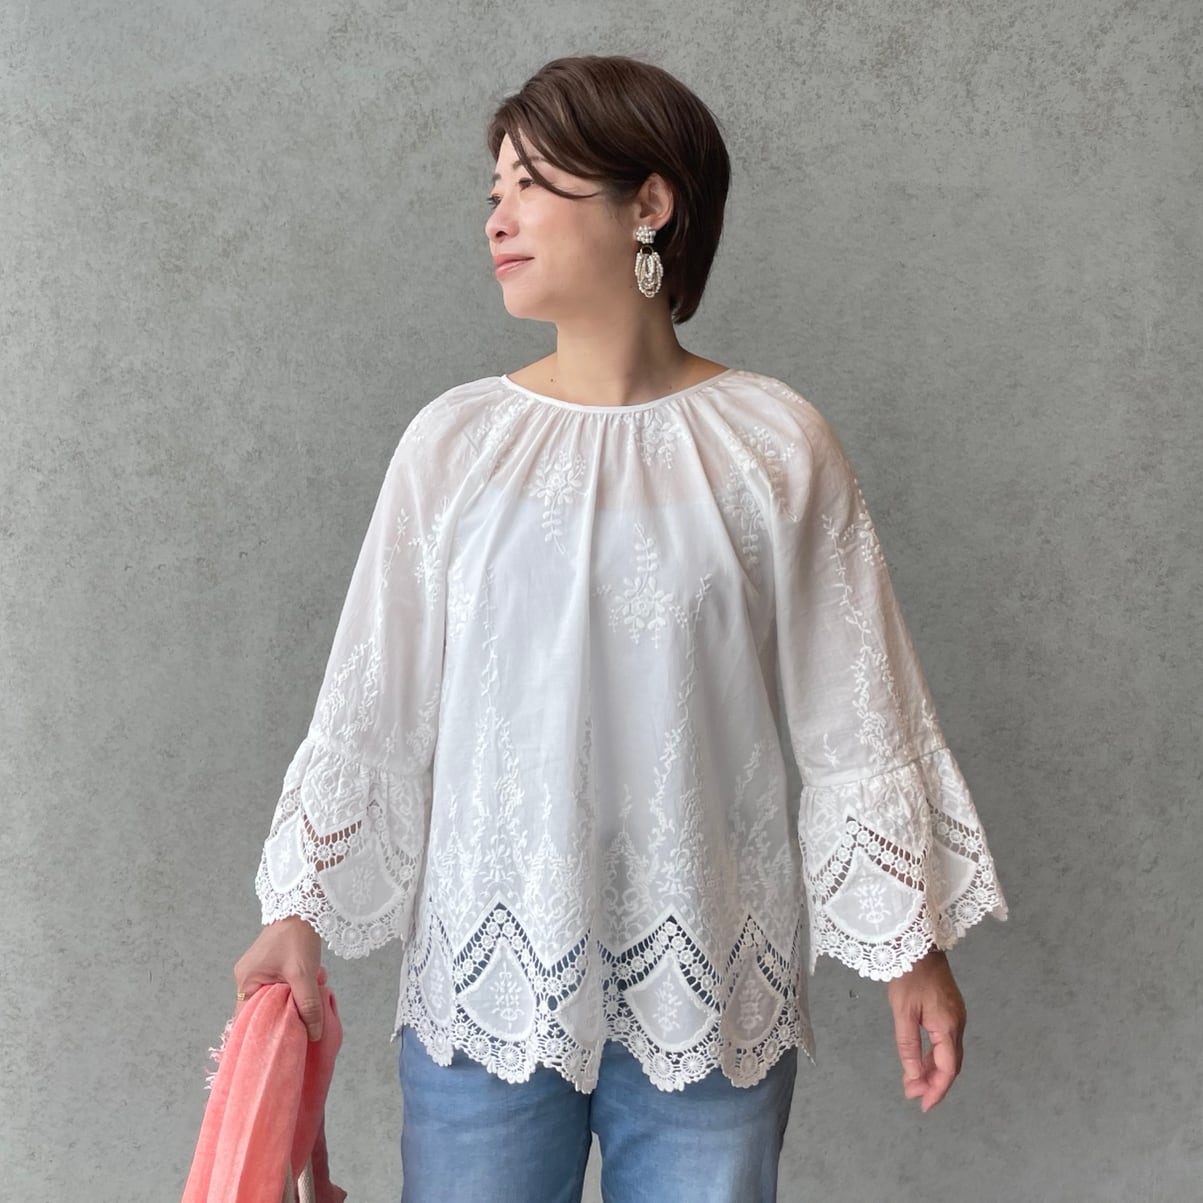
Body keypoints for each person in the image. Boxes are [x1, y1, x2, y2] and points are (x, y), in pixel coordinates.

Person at [233, 54, 1007, 1203]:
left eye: (532, 183)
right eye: (493, 190)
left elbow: (858, 710)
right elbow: (370, 703)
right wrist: (295, 912)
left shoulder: (774, 445)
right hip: (487, 986)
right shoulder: (454, 447)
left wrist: (912, 947)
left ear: (649, 202)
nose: (497, 217)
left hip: (711, 983)